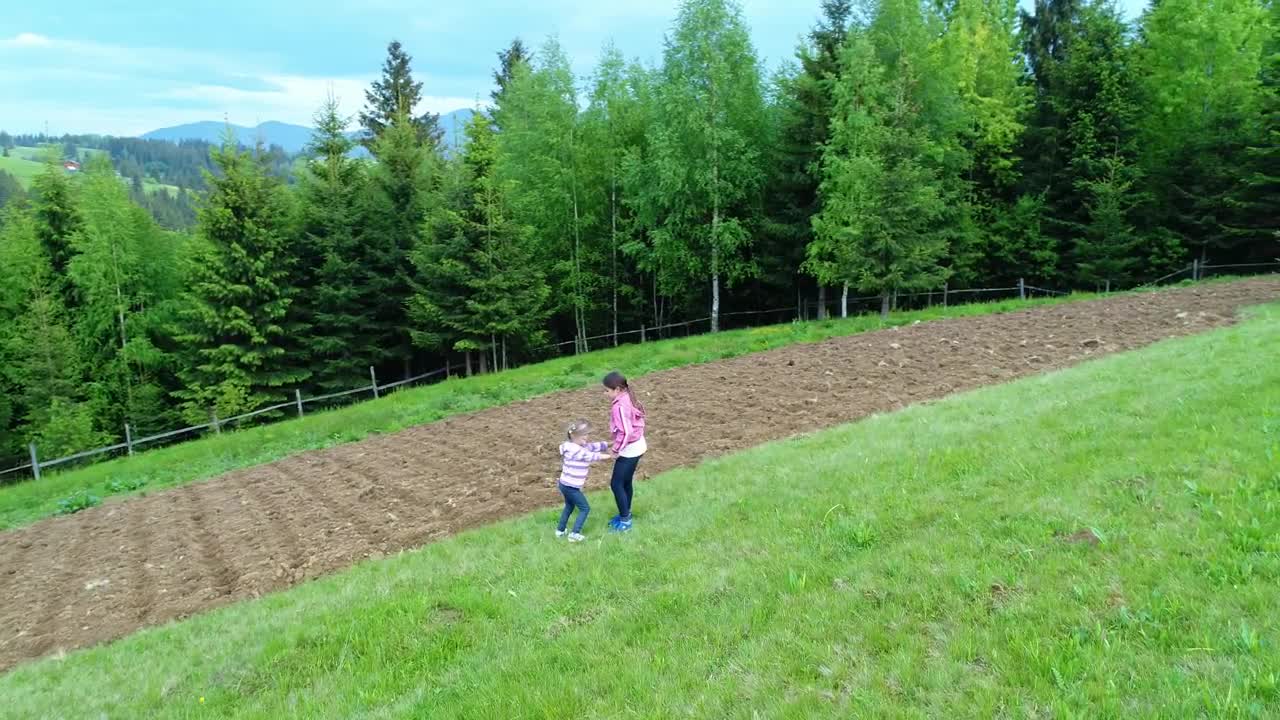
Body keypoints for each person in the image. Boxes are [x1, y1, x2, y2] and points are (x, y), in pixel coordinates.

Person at [603, 371, 646, 532]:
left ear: (618, 389)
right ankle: (626, 513)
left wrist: (615, 449)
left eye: (607, 390)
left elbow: (626, 432)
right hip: (638, 444)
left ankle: (625, 522)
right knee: (625, 482)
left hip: (630, 449)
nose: (605, 393)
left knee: (616, 484)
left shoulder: (619, 406)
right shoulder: (627, 396)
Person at [556, 418, 612, 542]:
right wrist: (610, 456)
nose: (586, 437)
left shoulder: (574, 446)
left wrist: (608, 444)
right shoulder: (576, 450)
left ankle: (560, 531)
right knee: (585, 508)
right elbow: (590, 455)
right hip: (571, 487)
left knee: (569, 506)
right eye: (583, 434)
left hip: (564, 484)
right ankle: (574, 534)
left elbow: (592, 446)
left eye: (587, 434)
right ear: (573, 435)